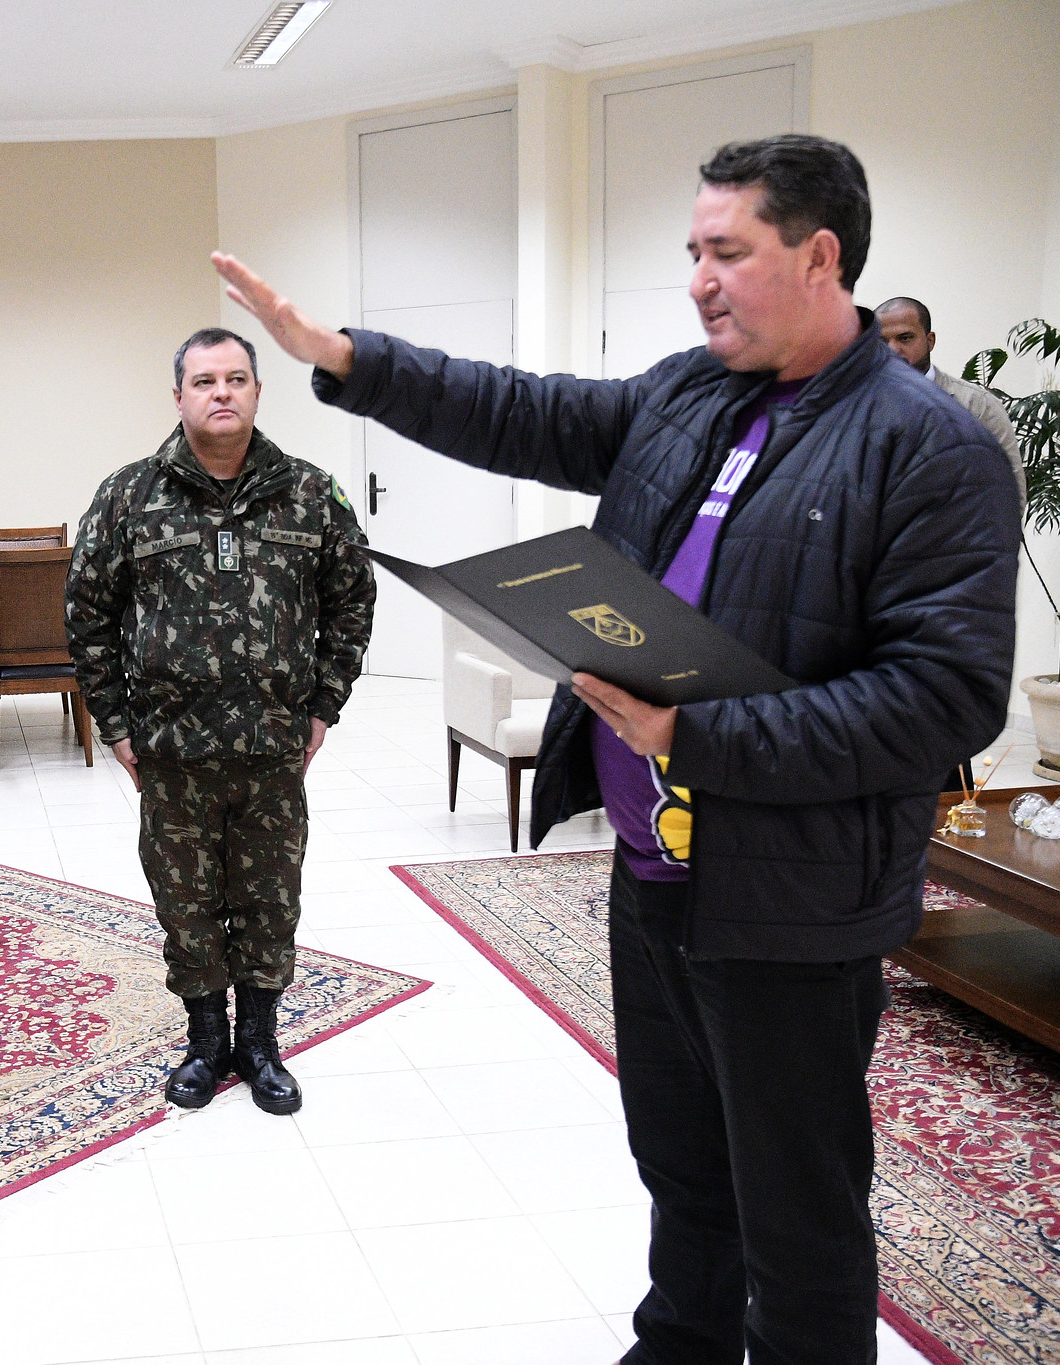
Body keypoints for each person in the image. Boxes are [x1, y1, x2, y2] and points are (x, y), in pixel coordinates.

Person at [217, 134, 1017, 1363]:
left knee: (795, 1214)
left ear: (818, 257)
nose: (697, 280)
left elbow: (943, 700)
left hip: (791, 901)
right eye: (691, 251)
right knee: (680, 1168)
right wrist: (346, 361)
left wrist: (700, 735)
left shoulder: (926, 446)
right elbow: (524, 411)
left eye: (724, 252)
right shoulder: (691, 391)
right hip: (652, 876)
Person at [65, 327, 375, 1115]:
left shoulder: (311, 494)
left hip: (273, 749)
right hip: (170, 750)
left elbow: (352, 601)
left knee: (270, 899)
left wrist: (323, 705)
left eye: (236, 378)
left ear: (258, 391)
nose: (222, 392)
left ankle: (260, 1043)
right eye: (204, 381)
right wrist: (115, 723)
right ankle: (206, 1042)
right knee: (186, 901)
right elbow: (87, 614)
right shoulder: (128, 496)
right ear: (179, 397)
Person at [877, 294, 1026, 503]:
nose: (893, 350)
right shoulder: (855, 405)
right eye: (882, 342)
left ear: (930, 341)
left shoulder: (976, 405)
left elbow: (1009, 491)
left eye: (905, 338)